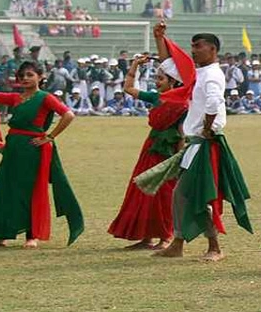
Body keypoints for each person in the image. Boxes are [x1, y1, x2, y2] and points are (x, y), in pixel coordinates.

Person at [151, 31, 251, 262]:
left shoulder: (212, 75)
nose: (193, 50)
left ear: (212, 49)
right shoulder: (197, 73)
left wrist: (206, 127)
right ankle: (179, 242)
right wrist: (159, 39)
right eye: (192, 46)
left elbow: (214, 102)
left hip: (206, 143)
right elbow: (168, 65)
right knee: (183, 194)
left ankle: (213, 247)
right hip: (196, 143)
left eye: (198, 46)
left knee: (197, 195)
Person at [0, 60, 82, 248]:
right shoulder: (17, 98)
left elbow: (68, 115)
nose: (25, 78)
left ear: (41, 77)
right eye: (22, 75)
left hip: (32, 149)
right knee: (3, 189)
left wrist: (49, 137)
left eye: (30, 75)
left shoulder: (45, 98)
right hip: (13, 148)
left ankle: (32, 236)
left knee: (30, 191)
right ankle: (0, 236)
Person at [107, 29, 192, 250]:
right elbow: (128, 88)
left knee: (164, 194)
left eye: (161, 78)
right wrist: (135, 65)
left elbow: (182, 133)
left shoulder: (182, 104)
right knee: (144, 191)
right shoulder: (155, 97)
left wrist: (179, 160)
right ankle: (147, 237)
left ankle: (166, 237)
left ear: (173, 82)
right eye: (156, 78)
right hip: (151, 149)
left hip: (168, 153)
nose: (157, 81)